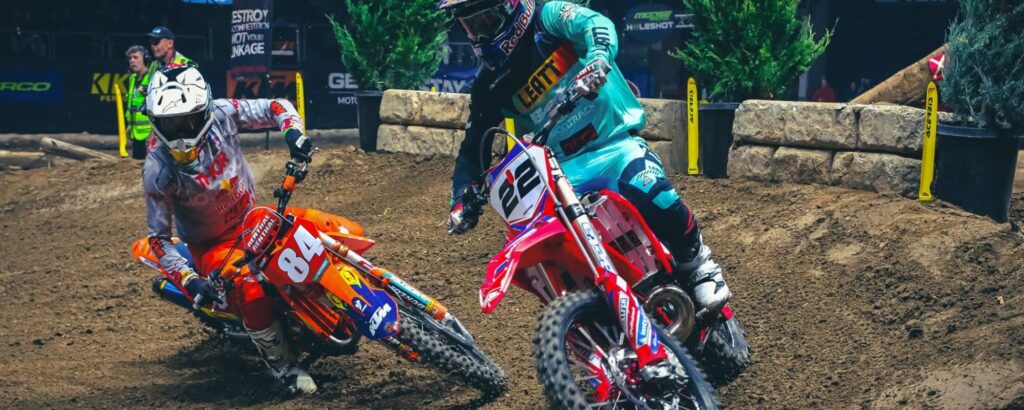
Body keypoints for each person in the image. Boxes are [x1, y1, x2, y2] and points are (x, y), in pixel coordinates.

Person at [440, 0, 732, 385]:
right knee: (552, 246)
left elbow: (595, 24)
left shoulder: (547, 18)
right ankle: (595, 332)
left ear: (511, 8)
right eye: (469, 25)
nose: (478, 33)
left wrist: (597, 58)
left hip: (611, 144)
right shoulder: (490, 80)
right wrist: (462, 198)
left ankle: (698, 265)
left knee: (651, 190)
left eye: (484, 19)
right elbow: (475, 140)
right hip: (560, 170)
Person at [135, 64, 362, 394]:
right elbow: (158, 238)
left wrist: (293, 133)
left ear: (204, 111)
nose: (180, 131)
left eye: (187, 120)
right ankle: (284, 367)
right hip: (212, 245)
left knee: (341, 232)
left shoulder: (223, 114)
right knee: (251, 290)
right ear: (155, 120)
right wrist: (189, 279)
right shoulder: (158, 168)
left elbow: (275, 106)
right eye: (169, 123)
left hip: (255, 219)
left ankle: (348, 301)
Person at [124, 45, 153, 159]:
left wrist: (153, 133)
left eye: (135, 57)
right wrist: (130, 126)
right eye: (130, 58)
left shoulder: (151, 78)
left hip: (149, 134)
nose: (132, 61)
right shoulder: (132, 78)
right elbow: (132, 104)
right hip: (136, 132)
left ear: (145, 59)